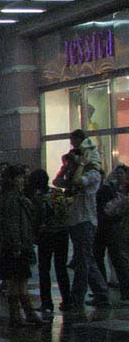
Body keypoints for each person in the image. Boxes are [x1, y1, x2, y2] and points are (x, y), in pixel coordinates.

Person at [56, 129, 110, 311]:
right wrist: (65, 168)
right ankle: (102, 293)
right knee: (86, 259)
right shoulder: (74, 173)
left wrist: (80, 165)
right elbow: (57, 182)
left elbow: (79, 182)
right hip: (75, 219)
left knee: (83, 261)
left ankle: (77, 297)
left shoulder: (93, 174)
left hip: (86, 220)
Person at [0, 164, 43, 327]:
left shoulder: (11, 197)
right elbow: (13, 224)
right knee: (18, 281)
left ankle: (22, 314)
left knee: (19, 280)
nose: (23, 180)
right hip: (16, 245)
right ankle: (20, 315)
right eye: (19, 177)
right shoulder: (13, 199)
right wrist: (17, 245)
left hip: (15, 244)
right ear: (13, 180)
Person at [26, 168, 69, 319]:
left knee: (44, 269)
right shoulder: (57, 193)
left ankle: (47, 302)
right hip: (62, 233)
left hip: (46, 236)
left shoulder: (38, 198)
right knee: (61, 268)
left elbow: (36, 219)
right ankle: (67, 300)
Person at [95, 165, 129, 300]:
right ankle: (103, 289)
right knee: (102, 257)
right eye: (117, 173)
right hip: (107, 225)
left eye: (121, 173)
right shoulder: (109, 188)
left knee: (118, 259)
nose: (119, 175)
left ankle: (124, 290)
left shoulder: (120, 190)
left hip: (115, 227)